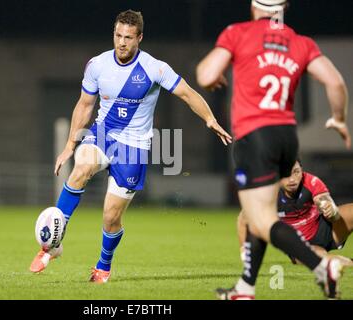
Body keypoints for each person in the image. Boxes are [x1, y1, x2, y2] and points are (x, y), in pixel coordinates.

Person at [29, 10, 232, 282]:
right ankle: (51, 246)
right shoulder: (97, 65)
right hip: (103, 134)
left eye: (128, 37)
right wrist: (69, 145)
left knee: (111, 217)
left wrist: (209, 119)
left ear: (140, 38)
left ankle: (103, 265)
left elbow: (187, 93)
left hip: (134, 148)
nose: (121, 42)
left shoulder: (154, 68)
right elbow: (85, 104)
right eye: (117, 35)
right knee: (82, 166)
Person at [196, 0, 350, 299]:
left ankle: (321, 266)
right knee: (260, 213)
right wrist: (340, 119)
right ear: (284, 9)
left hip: (255, 136)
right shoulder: (300, 41)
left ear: (254, 8)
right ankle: (245, 289)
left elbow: (204, 74)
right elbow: (335, 82)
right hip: (286, 137)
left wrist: (215, 72)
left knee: (262, 218)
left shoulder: (238, 32)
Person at [237, 160, 353, 266]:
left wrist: (331, 211)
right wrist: (244, 251)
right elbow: (244, 218)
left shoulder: (311, 181)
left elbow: (326, 203)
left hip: (325, 228)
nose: (292, 179)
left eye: (296, 172)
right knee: (316, 259)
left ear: (302, 171)